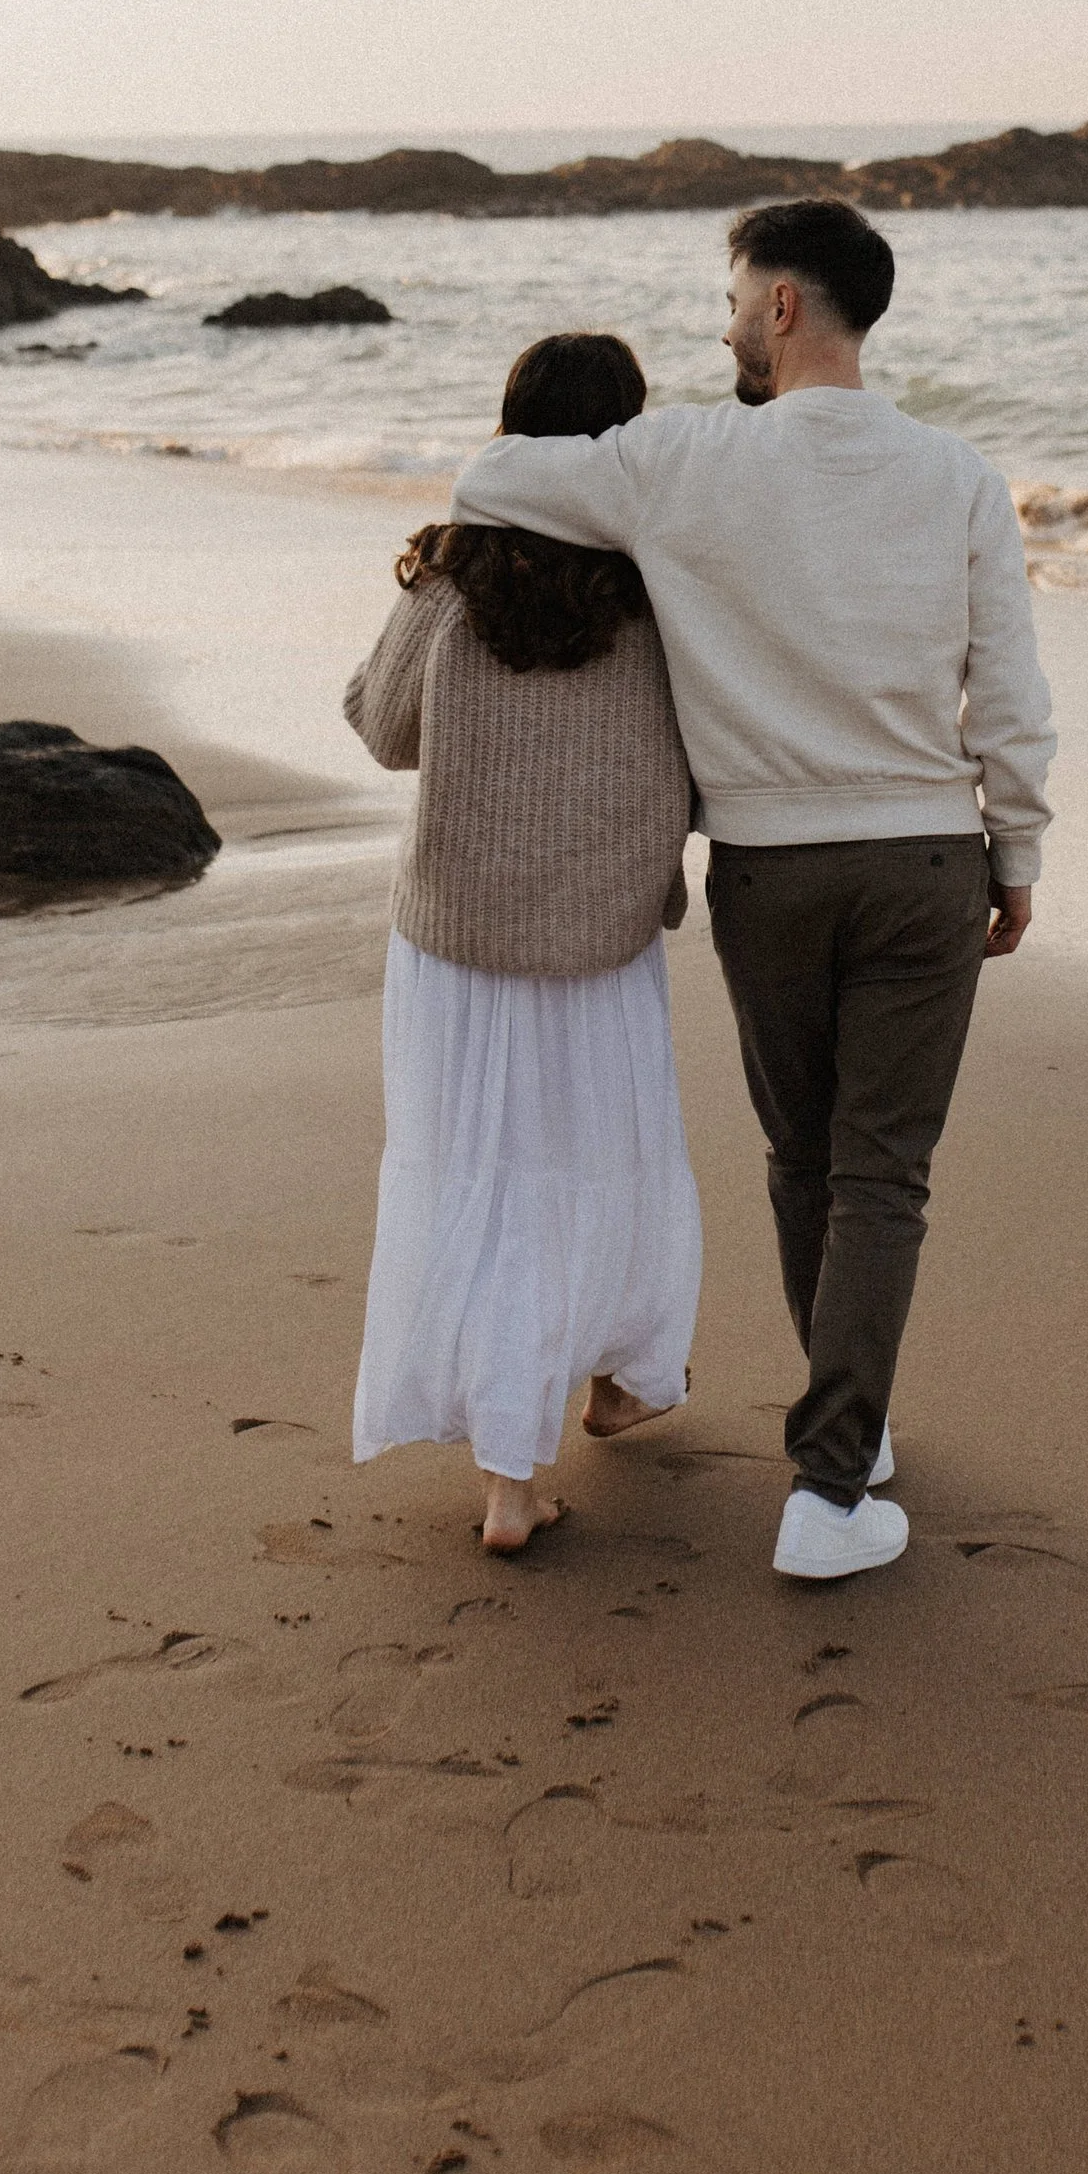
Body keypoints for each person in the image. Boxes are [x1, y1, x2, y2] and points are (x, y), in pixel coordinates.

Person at [449, 196, 1055, 1583]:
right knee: (882, 1173)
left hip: (771, 868)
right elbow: (1008, 691)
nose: (721, 324)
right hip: (920, 859)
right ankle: (836, 1478)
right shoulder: (956, 471)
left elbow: (491, 481)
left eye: (732, 298)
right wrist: (1013, 848)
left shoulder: (682, 460)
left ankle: (849, 1444)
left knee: (806, 1157)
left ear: (784, 303)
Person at [345, 331, 700, 1556]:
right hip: (599, 935)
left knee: (483, 1182)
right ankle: (617, 1383)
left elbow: (381, 729)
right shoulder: (659, 572)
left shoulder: (455, 573)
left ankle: (516, 1473)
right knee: (596, 1170)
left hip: (456, 935)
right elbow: (718, 746)